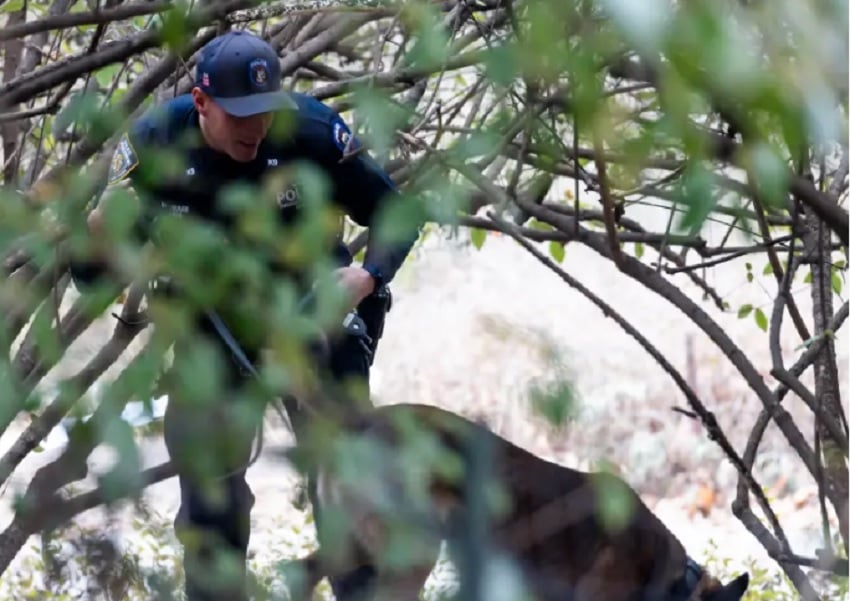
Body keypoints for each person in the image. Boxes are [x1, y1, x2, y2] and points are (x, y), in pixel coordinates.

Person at [70, 29, 421, 601]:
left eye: (264, 112)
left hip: (312, 319)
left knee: (349, 487)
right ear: (202, 103)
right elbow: (93, 280)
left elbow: (395, 214)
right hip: (215, 333)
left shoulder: (310, 131)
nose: (255, 129)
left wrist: (366, 276)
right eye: (240, 116)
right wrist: (96, 237)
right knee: (212, 508)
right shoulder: (156, 144)